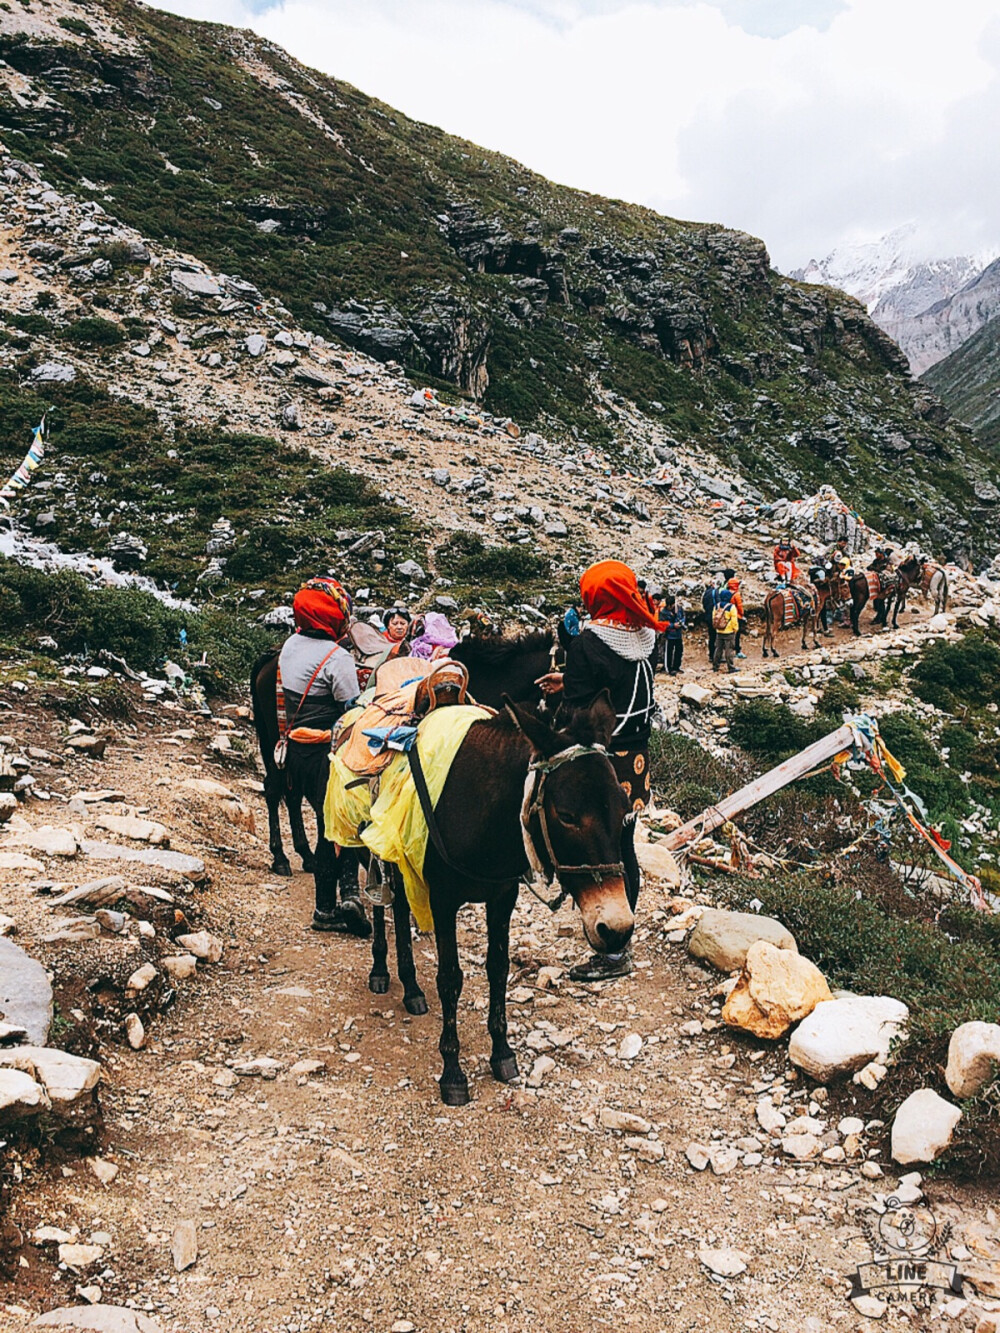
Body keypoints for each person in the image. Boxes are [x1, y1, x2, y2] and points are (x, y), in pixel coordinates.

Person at [536, 559, 659, 981]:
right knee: (624, 845)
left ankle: (612, 951)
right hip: (637, 757)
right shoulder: (645, 635)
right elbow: (618, 684)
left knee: (602, 851)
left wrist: (565, 689)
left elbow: (583, 707)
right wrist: (567, 679)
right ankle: (619, 940)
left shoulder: (589, 640)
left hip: (602, 760)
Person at [277, 579, 367, 935]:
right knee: (336, 826)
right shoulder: (337, 657)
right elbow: (351, 706)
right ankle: (327, 909)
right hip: (325, 753)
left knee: (325, 821)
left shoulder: (290, 645)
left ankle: (347, 895)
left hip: (296, 751)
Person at [712, 588, 739, 673]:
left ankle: (715, 666)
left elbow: (713, 617)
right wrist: (735, 629)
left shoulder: (716, 606)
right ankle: (730, 667)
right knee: (729, 650)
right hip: (729, 631)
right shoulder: (731, 607)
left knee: (718, 649)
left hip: (719, 631)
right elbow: (734, 620)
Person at [661, 594, 686, 675]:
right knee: (669, 653)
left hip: (678, 634)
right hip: (669, 635)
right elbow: (662, 623)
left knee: (679, 651)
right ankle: (669, 668)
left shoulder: (679, 608)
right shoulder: (663, 612)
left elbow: (683, 617)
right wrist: (672, 625)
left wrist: (681, 622)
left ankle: (676, 667)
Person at [702, 574, 724, 661]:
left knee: (711, 636)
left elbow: (704, 605)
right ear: (711, 584)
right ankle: (717, 656)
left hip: (708, 617)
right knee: (718, 636)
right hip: (716, 617)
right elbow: (719, 603)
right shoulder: (715, 592)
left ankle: (711, 655)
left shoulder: (705, 594)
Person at [726, 577, 747, 658]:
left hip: (727, 615)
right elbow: (740, 606)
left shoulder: (726, 592)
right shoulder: (736, 594)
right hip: (736, 616)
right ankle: (737, 651)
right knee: (737, 635)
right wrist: (742, 615)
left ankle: (728, 651)